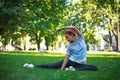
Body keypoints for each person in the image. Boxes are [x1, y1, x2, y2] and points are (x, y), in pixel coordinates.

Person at [23, 26, 98, 71]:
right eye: (65, 38)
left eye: (67, 37)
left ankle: (72, 69)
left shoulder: (81, 39)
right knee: (53, 65)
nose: (66, 39)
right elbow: (66, 58)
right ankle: (32, 66)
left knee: (94, 67)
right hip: (71, 62)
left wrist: (60, 28)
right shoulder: (69, 47)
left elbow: (73, 28)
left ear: (72, 35)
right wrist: (62, 68)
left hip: (80, 64)